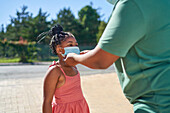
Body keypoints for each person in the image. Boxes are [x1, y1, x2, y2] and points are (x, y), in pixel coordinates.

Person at [61, 0, 170, 112]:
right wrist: (95, 53)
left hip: (157, 103)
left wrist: (74, 58)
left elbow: (101, 60)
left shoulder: (132, 4)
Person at [41, 25, 90, 113]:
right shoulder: (55, 71)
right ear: (60, 50)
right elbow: (47, 102)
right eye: (70, 45)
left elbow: (92, 59)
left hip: (80, 108)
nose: (75, 47)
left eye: (76, 45)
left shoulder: (74, 66)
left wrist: (86, 54)